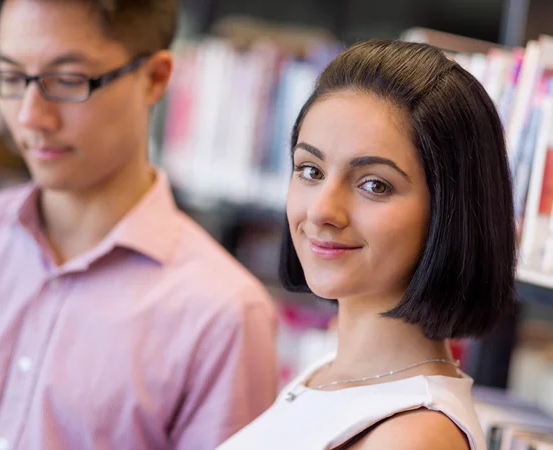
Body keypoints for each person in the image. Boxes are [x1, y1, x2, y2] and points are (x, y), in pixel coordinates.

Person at [0, 1, 278, 449]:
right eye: (10, 78)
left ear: (155, 78)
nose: (30, 117)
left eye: (67, 80)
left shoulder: (223, 314)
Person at [217, 40, 517, 450]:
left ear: (450, 211)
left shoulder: (413, 436)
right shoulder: (328, 373)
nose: (322, 210)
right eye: (310, 170)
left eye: (374, 184)